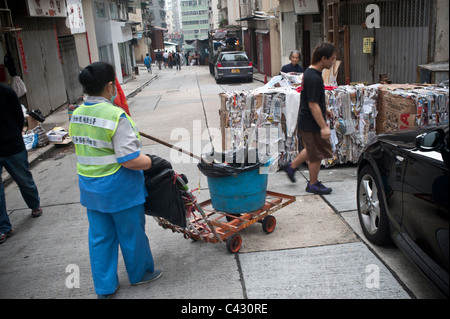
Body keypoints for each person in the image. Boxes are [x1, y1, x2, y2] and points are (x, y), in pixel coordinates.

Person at [69, 62, 161, 299]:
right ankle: (140, 274)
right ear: (111, 86)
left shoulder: (77, 114)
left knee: (100, 238)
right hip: (119, 189)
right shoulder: (114, 116)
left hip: (91, 189)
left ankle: (105, 286)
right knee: (132, 234)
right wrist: (153, 162)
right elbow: (129, 160)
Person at [281, 43, 337, 195]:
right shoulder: (313, 77)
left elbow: (314, 100)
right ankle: (313, 184)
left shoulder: (312, 73)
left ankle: (291, 167)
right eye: (332, 59)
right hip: (310, 121)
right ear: (323, 58)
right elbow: (312, 105)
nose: (333, 63)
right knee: (316, 154)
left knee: (311, 150)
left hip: (309, 120)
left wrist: (326, 110)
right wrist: (324, 127)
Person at [0, 84, 42, 245]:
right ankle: (3, 227)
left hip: (12, 146)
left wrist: (12, 134)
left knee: (24, 180)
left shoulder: (6, 92)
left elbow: (19, 117)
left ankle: (34, 204)